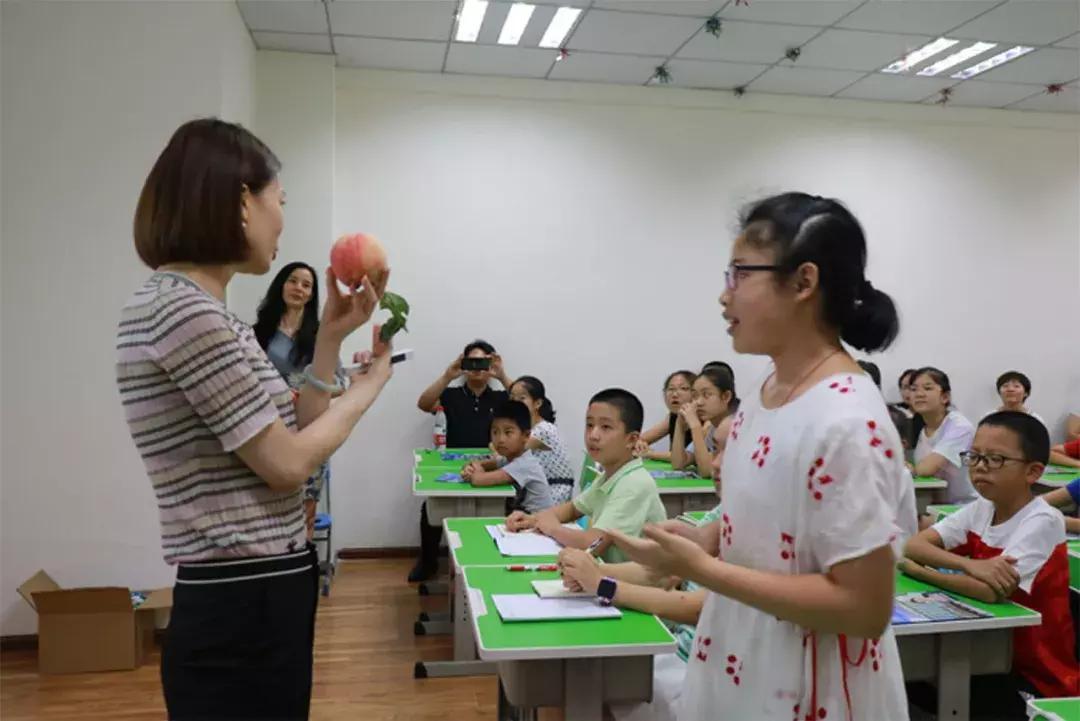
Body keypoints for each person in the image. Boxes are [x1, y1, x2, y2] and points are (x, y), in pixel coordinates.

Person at [117, 118, 393, 720]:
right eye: (280, 200)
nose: (282, 221)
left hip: (259, 586)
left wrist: (331, 339)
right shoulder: (186, 313)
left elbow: (292, 430)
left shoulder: (202, 312)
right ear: (242, 201)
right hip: (241, 598)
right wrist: (369, 388)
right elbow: (287, 465)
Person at [604, 192, 914, 721]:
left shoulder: (847, 422)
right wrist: (708, 538)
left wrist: (704, 569)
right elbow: (778, 524)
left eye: (740, 274)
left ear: (803, 281)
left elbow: (863, 608)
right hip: (740, 656)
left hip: (809, 688)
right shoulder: (766, 394)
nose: (724, 296)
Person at [902, 412, 1077, 709]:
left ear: (1033, 472)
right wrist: (970, 565)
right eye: (974, 456)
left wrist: (918, 571)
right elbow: (914, 545)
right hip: (982, 650)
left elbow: (989, 591)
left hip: (1034, 676)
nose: (980, 467)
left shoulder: (1043, 520)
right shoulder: (983, 507)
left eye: (996, 459)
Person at [505, 388, 666, 563]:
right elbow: (573, 509)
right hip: (607, 572)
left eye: (605, 427)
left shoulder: (635, 483)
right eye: (589, 425)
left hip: (634, 578)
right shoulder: (610, 474)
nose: (593, 435)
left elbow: (594, 543)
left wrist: (553, 528)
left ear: (632, 440)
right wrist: (533, 519)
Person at [253, 261, 343, 539]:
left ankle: (304, 559)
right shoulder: (257, 334)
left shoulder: (319, 337)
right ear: (281, 285)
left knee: (306, 511)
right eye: (293, 281)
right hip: (267, 431)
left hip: (309, 432)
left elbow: (339, 384)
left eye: (306, 285)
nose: (299, 288)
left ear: (311, 295)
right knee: (265, 511)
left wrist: (306, 392)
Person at [410, 340, 512, 582]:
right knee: (430, 508)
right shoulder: (451, 395)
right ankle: (428, 562)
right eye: (472, 362)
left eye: (482, 362)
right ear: (464, 365)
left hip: (490, 464)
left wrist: (501, 375)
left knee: (501, 507)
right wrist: (448, 375)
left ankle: (489, 560)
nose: (477, 368)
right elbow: (424, 404)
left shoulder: (500, 398)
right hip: (452, 464)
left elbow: (526, 408)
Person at [461, 401, 553, 513]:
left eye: (508, 432)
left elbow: (478, 480)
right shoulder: (509, 458)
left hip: (539, 521)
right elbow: (480, 464)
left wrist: (475, 471)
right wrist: (470, 467)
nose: (500, 439)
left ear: (526, 436)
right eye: (495, 432)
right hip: (524, 518)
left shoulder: (524, 464)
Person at [909, 367, 977, 505]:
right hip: (937, 504)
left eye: (927, 388)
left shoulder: (960, 426)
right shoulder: (923, 430)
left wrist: (909, 468)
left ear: (945, 397)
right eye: (914, 389)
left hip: (966, 505)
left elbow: (926, 469)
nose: (919, 394)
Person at [509, 376, 575, 504]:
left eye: (522, 398)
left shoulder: (543, 430)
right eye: (512, 398)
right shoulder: (528, 428)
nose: (515, 403)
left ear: (537, 403)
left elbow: (509, 451)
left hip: (554, 494)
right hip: (539, 491)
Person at [670, 366, 739, 483]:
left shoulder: (735, 426)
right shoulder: (712, 427)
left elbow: (707, 470)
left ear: (726, 396)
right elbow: (679, 464)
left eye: (706, 395)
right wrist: (679, 425)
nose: (698, 402)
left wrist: (695, 425)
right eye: (695, 396)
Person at [636, 371, 696, 462]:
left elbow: (688, 456)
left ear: (696, 394)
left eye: (683, 388)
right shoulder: (673, 417)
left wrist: (649, 453)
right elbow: (639, 439)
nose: (675, 394)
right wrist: (639, 444)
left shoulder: (706, 421)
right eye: (671, 389)